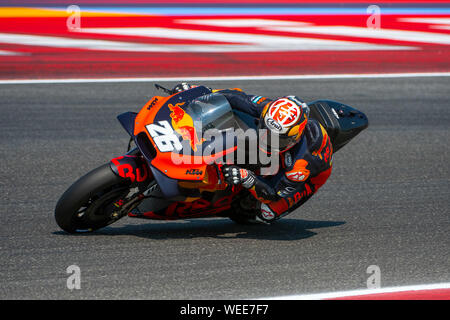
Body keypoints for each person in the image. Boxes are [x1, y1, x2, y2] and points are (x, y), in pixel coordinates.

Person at [171, 83, 333, 224]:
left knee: (265, 212)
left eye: (279, 139)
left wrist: (247, 178)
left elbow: (275, 194)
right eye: (266, 130)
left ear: (294, 137)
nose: (269, 140)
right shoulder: (265, 107)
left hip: (307, 177)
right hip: (272, 144)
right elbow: (231, 96)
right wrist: (193, 91)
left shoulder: (302, 161)